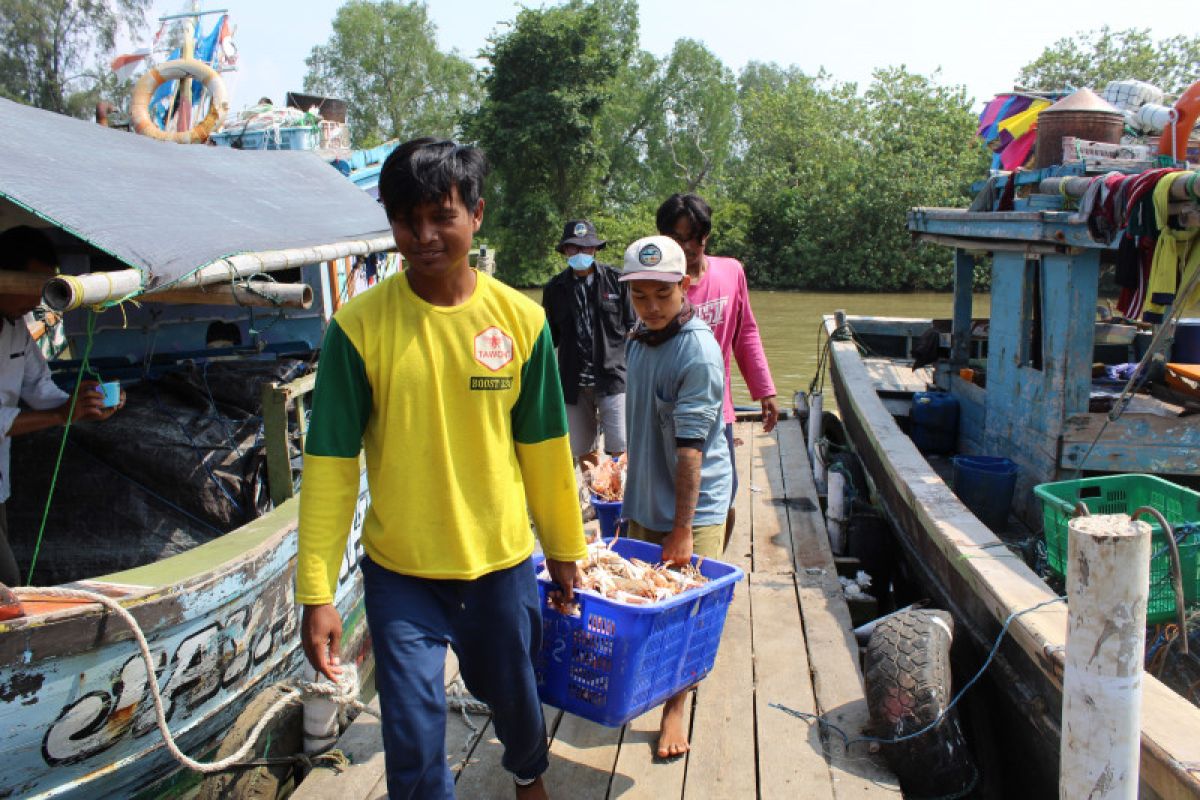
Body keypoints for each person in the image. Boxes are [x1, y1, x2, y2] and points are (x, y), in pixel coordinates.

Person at [296, 138, 587, 800]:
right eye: (405, 220)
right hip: (401, 574)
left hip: (500, 563)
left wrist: (566, 551)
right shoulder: (356, 329)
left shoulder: (524, 323)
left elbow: (544, 450)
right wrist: (316, 590)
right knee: (413, 733)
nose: (423, 236)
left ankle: (527, 773)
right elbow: (331, 467)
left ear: (476, 214)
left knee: (513, 694)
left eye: (441, 216)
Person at [619, 234, 732, 760]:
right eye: (641, 296)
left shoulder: (699, 354)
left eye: (662, 295)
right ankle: (648, 686)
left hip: (694, 503)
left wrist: (683, 529)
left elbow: (691, 454)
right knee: (642, 597)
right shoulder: (639, 340)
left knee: (687, 608)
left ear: (685, 285)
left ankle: (675, 708)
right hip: (644, 496)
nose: (652, 307)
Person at [0, 226, 123, 587]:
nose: (38, 299)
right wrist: (60, 415)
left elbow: (40, 387)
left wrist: (85, 403)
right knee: (8, 584)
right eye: (31, 286)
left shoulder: (16, 328)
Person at [656, 193, 778, 546]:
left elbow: (746, 332)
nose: (689, 246)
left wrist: (765, 390)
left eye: (695, 236)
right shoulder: (656, 285)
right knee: (667, 499)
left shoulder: (731, 272)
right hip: (665, 409)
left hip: (716, 410)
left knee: (723, 496)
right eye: (678, 238)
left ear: (705, 236)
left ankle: (709, 566)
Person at [541, 219, 635, 472]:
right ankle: (596, 500)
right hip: (573, 382)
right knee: (583, 449)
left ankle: (619, 500)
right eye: (574, 248)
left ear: (595, 250)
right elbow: (550, 339)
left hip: (613, 377)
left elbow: (633, 328)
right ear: (565, 251)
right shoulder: (554, 289)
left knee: (620, 447)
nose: (581, 253)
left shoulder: (618, 281)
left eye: (586, 248)